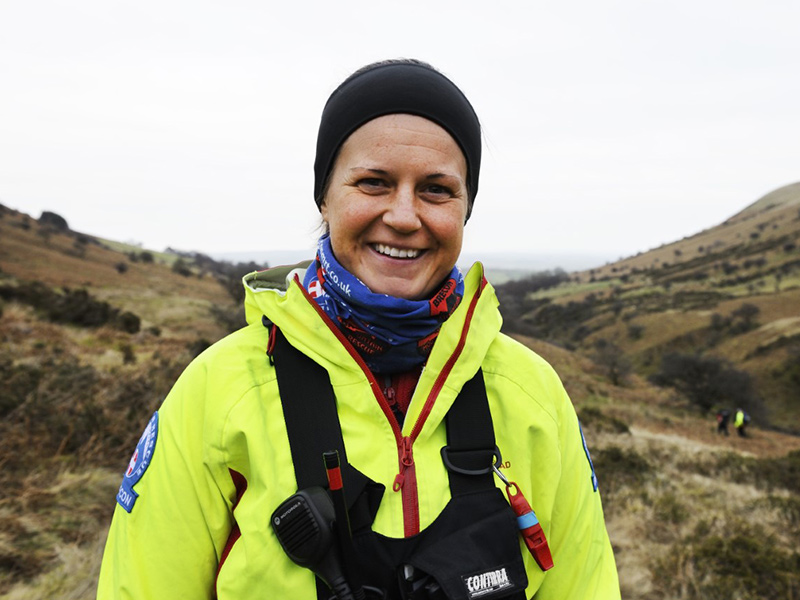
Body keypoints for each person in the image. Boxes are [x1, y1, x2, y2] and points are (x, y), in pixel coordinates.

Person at [97, 59, 620, 599]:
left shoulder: (532, 392)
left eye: (437, 190)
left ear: (465, 211)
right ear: (325, 196)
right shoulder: (219, 391)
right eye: (373, 182)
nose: (402, 215)